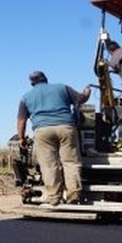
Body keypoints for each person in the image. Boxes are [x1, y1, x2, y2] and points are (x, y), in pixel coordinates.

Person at [16, 71, 91, 206]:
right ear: (46, 79)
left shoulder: (26, 97)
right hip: (66, 127)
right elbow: (81, 99)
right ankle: (73, 195)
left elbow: (21, 120)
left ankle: (54, 197)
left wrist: (21, 138)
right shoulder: (62, 88)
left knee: (49, 165)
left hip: (42, 131)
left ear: (32, 83)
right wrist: (86, 92)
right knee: (71, 163)